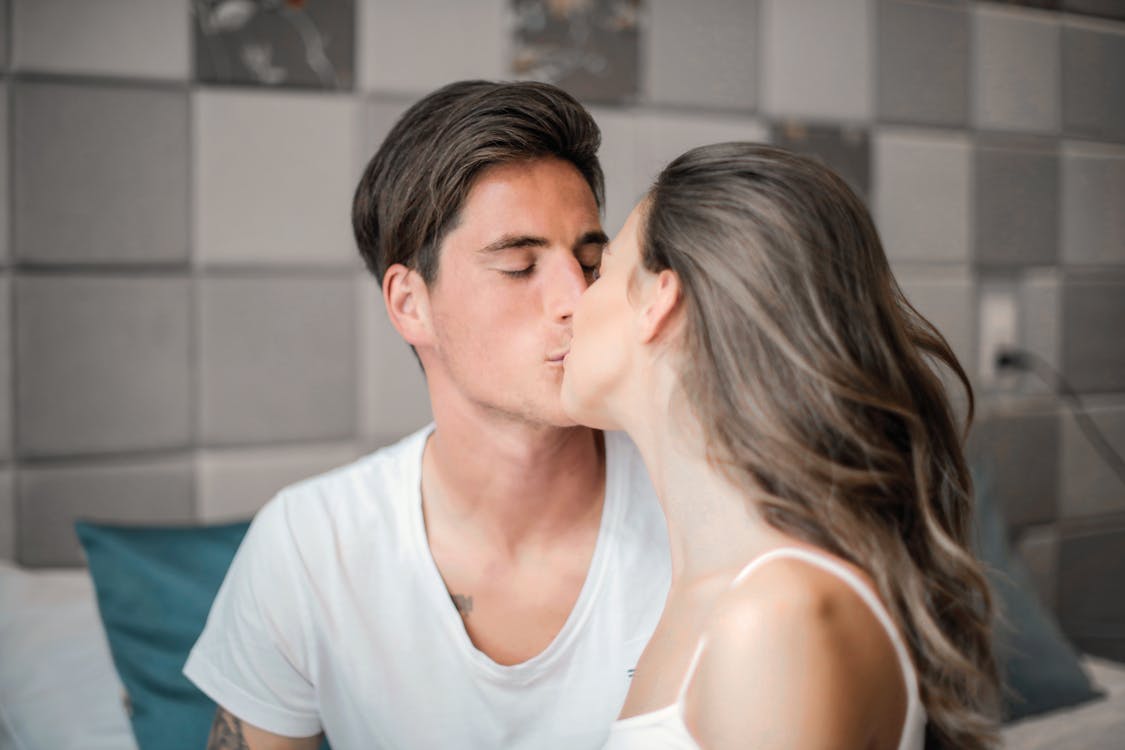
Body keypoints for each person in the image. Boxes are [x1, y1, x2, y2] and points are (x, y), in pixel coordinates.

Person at [184, 80, 671, 749]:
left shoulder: (701, 511)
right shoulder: (310, 544)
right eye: (519, 265)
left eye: (590, 263)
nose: (575, 299)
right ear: (410, 304)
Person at [561, 143, 1000, 750]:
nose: (569, 306)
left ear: (660, 300)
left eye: (600, 270)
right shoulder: (725, 597)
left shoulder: (773, 617)